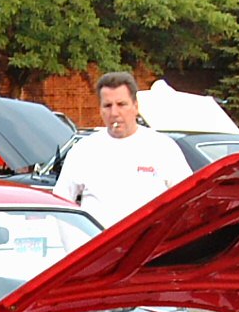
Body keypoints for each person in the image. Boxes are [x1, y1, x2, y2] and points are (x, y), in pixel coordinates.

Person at [51, 71, 190, 228]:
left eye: (121, 104)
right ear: (100, 110)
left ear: (135, 107)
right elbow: (62, 204)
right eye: (108, 106)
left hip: (149, 249)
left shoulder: (163, 148)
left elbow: (187, 200)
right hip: (99, 248)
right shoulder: (83, 151)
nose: (114, 113)